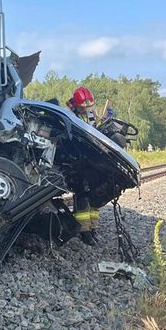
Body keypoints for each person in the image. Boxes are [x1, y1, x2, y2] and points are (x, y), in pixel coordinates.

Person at [66, 86, 99, 243]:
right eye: (83, 107)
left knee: (94, 197)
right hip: (77, 161)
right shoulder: (70, 116)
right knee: (82, 196)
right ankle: (84, 231)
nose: (86, 110)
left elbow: (95, 130)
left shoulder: (90, 114)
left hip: (91, 160)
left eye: (88, 107)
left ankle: (93, 228)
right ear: (77, 105)